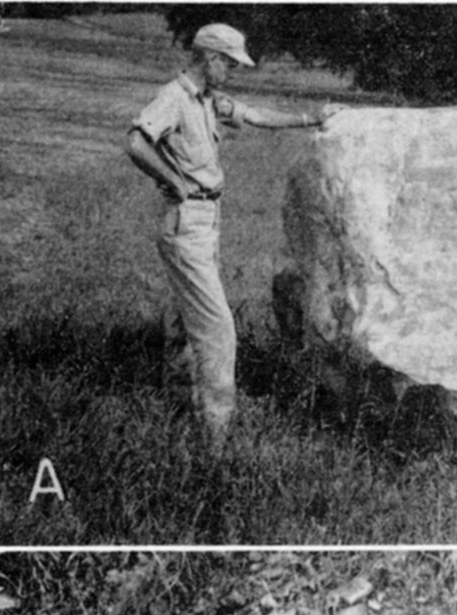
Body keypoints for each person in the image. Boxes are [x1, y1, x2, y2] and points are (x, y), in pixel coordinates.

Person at [127, 22, 337, 457]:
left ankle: (178, 409)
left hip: (207, 219)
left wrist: (310, 118)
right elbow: (136, 142)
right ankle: (216, 440)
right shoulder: (176, 98)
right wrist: (173, 181)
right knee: (219, 330)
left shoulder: (207, 101)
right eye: (230, 64)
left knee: (188, 322)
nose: (233, 72)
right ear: (211, 58)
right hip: (187, 221)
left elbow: (255, 116)